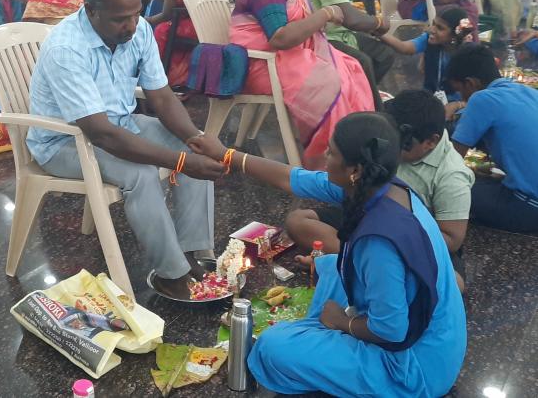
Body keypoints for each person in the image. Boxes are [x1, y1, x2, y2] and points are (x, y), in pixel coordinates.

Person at [187, 112, 466, 396]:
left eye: (331, 152)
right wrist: (226, 155)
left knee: (273, 347)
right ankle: (324, 337)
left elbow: (391, 331)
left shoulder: (378, 243)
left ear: (354, 169)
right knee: (332, 265)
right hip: (436, 336)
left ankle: (326, 339)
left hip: (416, 367)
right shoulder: (385, 186)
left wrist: (341, 322)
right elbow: (292, 178)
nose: (324, 154)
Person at [27, 0, 224, 299]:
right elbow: (101, 135)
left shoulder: (139, 30)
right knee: (141, 173)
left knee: (195, 149)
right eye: (121, 18)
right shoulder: (67, 48)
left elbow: (160, 95)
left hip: (118, 124)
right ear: (91, 10)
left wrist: (195, 138)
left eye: (136, 14)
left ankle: (190, 253)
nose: (131, 25)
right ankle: (171, 273)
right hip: (63, 141)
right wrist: (180, 162)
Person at [286, 90, 475, 290]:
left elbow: (452, 239)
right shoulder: (389, 139)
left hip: (415, 238)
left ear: (430, 142)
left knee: (453, 285)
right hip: (367, 211)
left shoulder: (452, 175)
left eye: (402, 146)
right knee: (297, 221)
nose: (392, 149)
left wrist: (394, 245)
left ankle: (359, 265)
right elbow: (323, 182)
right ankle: (354, 263)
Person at [230, 0, 374, 169]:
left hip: (283, 58)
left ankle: (355, 148)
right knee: (332, 82)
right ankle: (329, 161)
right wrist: (326, 13)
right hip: (263, 65)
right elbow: (280, 37)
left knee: (351, 68)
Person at [299, 0, 396, 111]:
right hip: (319, 38)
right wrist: (378, 22)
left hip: (337, 33)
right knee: (362, 61)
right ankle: (376, 116)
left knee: (384, 55)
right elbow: (350, 19)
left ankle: (354, 101)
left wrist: (373, 25)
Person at [446, 45, 538, 233]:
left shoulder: (481, 99)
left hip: (528, 208)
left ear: (471, 83)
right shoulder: (528, 92)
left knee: (448, 192)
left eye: (459, 91)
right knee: (481, 180)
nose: (461, 97)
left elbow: (451, 161)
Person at [145, 0, 219, 87]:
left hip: (190, 27)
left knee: (161, 30)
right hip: (206, 24)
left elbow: (166, 14)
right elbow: (177, 1)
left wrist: (146, 21)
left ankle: (158, 76)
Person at [380, 7, 474, 97]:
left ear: (455, 34)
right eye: (433, 24)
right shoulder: (429, 39)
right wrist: (379, 32)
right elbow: (405, 47)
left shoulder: (467, 53)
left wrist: (458, 105)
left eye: (440, 28)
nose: (432, 29)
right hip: (430, 96)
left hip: (456, 102)